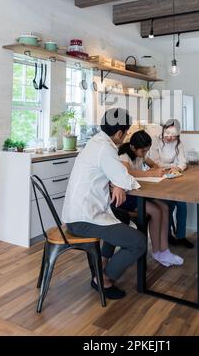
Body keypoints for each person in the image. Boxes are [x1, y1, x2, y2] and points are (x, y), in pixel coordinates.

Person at [62, 108, 147, 300]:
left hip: (79, 211)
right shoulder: (105, 148)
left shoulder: (96, 142)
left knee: (122, 216)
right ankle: (103, 278)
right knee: (138, 242)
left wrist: (117, 181)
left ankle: (101, 264)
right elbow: (126, 180)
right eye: (126, 133)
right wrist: (120, 182)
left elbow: (115, 175)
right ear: (119, 133)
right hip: (83, 218)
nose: (125, 136)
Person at [118, 130, 184, 267]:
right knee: (155, 211)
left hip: (138, 192)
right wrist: (148, 173)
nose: (144, 154)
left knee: (165, 207)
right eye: (143, 151)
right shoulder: (124, 155)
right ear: (133, 147)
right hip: (125, 196)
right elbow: (127, 172)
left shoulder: (141, 154)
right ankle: (156, 251)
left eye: (146, 151)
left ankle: (164, 250)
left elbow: (153, 165)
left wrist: (152, 170)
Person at [149, 119, 194, 249]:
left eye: (173, 135)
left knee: (182, 203)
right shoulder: (155, 140)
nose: (170, 137)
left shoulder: (178, 143)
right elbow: (155, 163)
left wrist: (178, 168)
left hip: (172, 177)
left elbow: (182, 161)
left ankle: (181, 236)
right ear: (163, 130)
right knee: (168, 205)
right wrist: (172, 166)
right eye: (168, 133)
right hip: (157, 178)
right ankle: (166, 235)